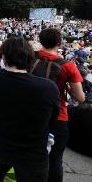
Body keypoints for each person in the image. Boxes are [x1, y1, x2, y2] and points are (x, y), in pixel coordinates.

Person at [0, 37, 60, 182]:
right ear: (31, 58)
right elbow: (53, 120)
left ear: (3, 56)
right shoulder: (48, 87)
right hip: (32, 153)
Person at [35, 28, 85, 182]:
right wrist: (68, 89)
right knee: (55, 159)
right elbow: (80, 97)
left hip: (31, 112)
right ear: (59, 42)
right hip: (57, 116)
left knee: (31, 154)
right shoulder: (68, 66)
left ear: (40, 40)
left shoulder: (30, 58)